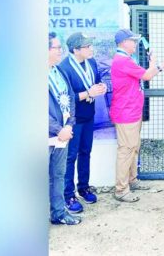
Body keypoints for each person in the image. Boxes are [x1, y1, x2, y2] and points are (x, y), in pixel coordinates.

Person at [109, 28, 164, 202]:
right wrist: (158, 64)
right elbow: (146, 76)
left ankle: (132, 180)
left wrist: (155, 64)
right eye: (132, 41)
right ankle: (121, 190)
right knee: (126, 149)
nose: (135, 44)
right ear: (123, 43)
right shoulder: (123, 61)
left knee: (133, 148)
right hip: (126, 113)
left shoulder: (126, 59)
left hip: (132, 111)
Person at [57, 32, 107, 213]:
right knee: (70, 157)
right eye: (87, 46)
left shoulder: (91, 62)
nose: (91, 48)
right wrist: (88, 94)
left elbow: (97, 82)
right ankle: (68, 195)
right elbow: (64, 97)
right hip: (72, 119)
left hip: (89, 115)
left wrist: (102, 88)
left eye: (90, 45)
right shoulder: (63, 68)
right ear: (75, 49)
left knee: (86, 152)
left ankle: (83, 187)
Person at [48, 32, 81, 225]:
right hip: (49, 134)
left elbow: (70, 100)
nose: (61, 51)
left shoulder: (59, 71)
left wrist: (68, 125)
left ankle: (59, 213)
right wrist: (57, 128)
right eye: (57, 48)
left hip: (63, 135)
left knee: (58, 175)